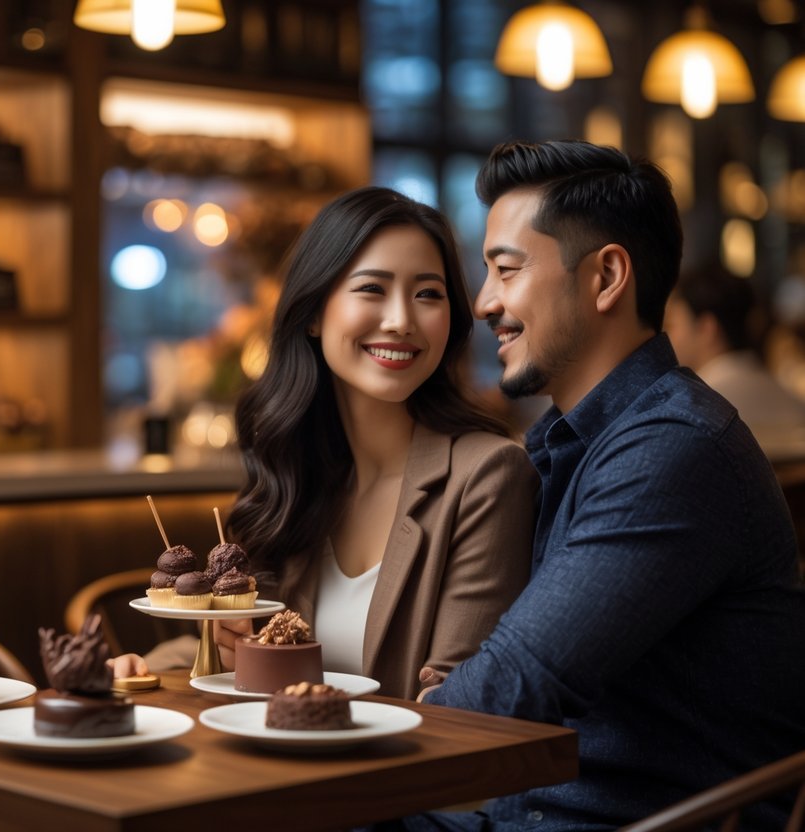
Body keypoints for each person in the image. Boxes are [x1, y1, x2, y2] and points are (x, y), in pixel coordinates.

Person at [400, 140, 805, 831]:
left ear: (607, 276)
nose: (483, 302)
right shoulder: (568, 443)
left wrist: (350, 725)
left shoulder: (673, 448)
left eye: (506, 270)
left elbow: (511, 684)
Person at [114, 185, 538, 700]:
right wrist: (144, 665)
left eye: (428, 293)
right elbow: (236, 648)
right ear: (314, 312)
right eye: (372, 289)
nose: (402, 320)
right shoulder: (295, 473)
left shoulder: (487, 477)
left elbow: (456, 704)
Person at [664, 265, 805, 458]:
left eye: (672, 325)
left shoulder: (689, 409)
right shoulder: (793, 401)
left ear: (707, 328)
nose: (666, 336)